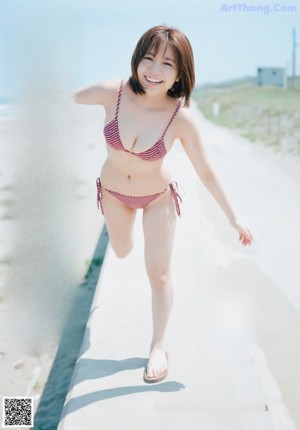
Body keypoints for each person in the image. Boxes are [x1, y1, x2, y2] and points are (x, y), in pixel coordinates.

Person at [74, 25, 253, 384]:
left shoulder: (179, 117)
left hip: (157, 198)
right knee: (122, 251)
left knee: (158, 274)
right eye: (148, 58)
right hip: (112, 193)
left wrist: (234, 219)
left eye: (167, 64)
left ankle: (158, 345)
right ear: (137, 59)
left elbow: (206, 171)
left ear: (180, 73)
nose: (154, 71)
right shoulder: (114, 93)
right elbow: (64, 99)